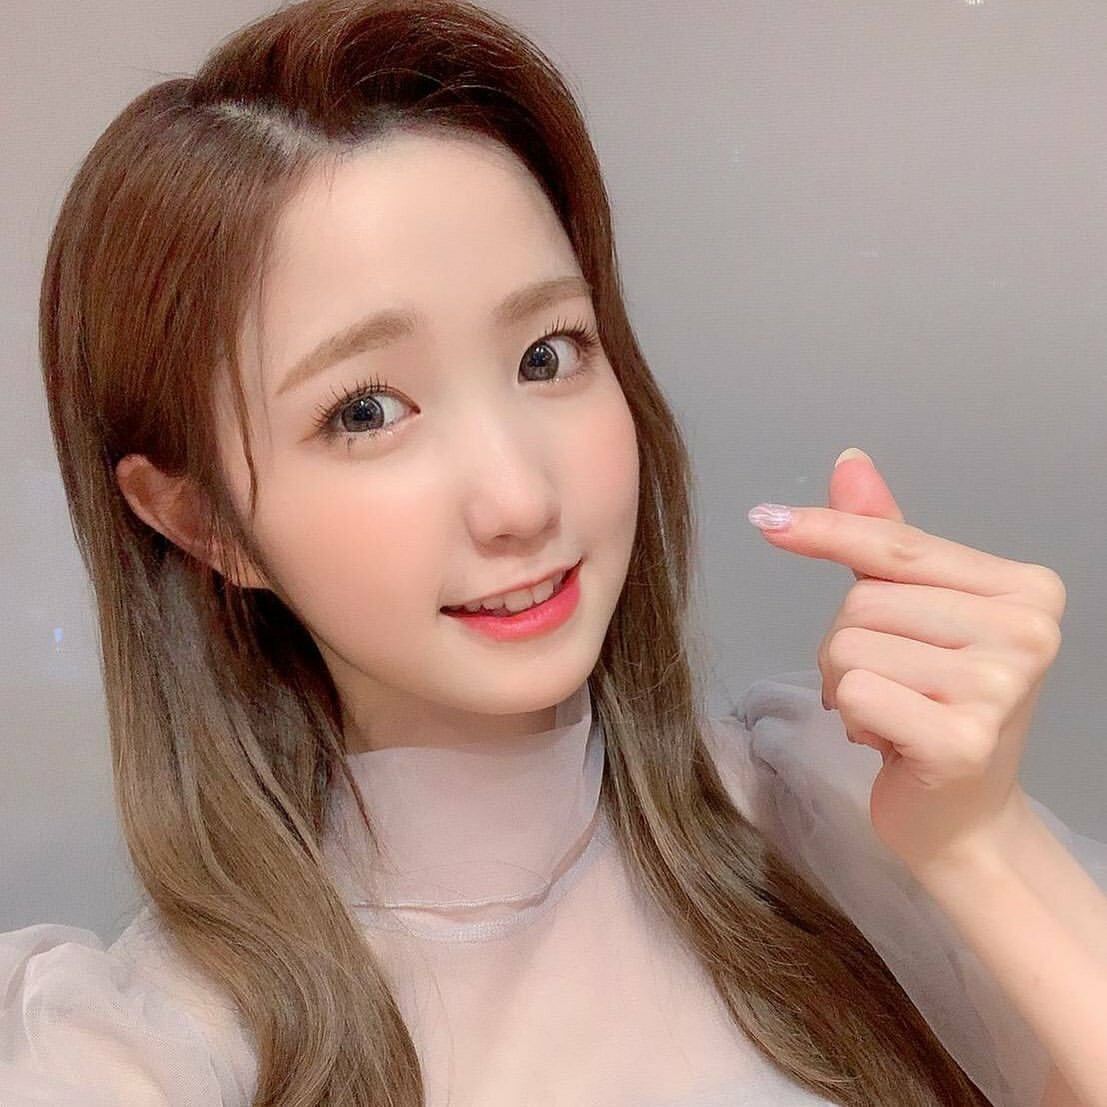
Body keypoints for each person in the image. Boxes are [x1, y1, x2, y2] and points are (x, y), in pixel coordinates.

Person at [4, 1, 1104, 1104]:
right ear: (202, 522)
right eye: (366, 411)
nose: (520, 502)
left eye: (546, 354)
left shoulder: (823, 816)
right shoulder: (147, 1054)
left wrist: (980, 843)